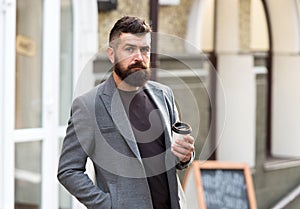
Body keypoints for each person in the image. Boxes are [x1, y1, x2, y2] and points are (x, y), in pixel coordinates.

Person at [57, 16, 195, 209]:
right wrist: (108, 205)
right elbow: (68, 170)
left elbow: (174, 159)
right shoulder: (88, 105)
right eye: (129, 49)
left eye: (144, 50)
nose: (138, 57)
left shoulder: (164, 95)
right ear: (112, 54)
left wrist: (185, 156)